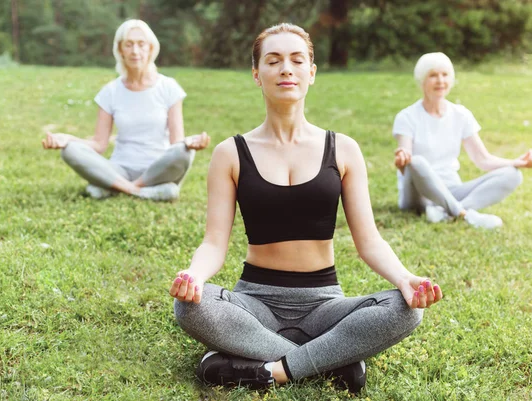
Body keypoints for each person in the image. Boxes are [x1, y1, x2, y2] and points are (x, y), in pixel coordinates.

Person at [169, 23, 442, 394]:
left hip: (324, 306)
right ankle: (333, 362)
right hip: (255, 303)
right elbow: (214, 243)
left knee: (407, 309)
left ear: (310, 74)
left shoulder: (343, 149)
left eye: (297, 60)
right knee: (189, 308)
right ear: (256, 74)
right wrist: (195, 276)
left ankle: (270, 370)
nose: (286, 69)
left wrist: (405, 278)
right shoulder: (229, 153)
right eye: (273, 60)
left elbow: (370, 242)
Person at [42, 19, 210, 201]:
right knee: (69, 150)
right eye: (128, 45)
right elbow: (99, 144)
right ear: (120, 50)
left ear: (151, 48)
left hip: (157, 169)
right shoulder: (110, 91)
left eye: (141, 44)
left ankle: (112, 188)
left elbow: (176, 143)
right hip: (119, 169)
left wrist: (191, 143)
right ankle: (144, 192)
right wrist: (67, 139)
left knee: (184, 151)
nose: (135, 51)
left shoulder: (169, 88)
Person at [393, 52, 532, 228]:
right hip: (418, 195)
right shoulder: (406, 117)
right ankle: (462, 214)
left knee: (513, 174)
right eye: (433, 75)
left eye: (445, 75)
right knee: (416, 161)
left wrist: (517, 162)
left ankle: (446, 212)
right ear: (422, 80)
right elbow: (406, 156)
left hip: (453, 190)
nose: (440, 81)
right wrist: (403, 157)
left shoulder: (461, 115)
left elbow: (483, 159)